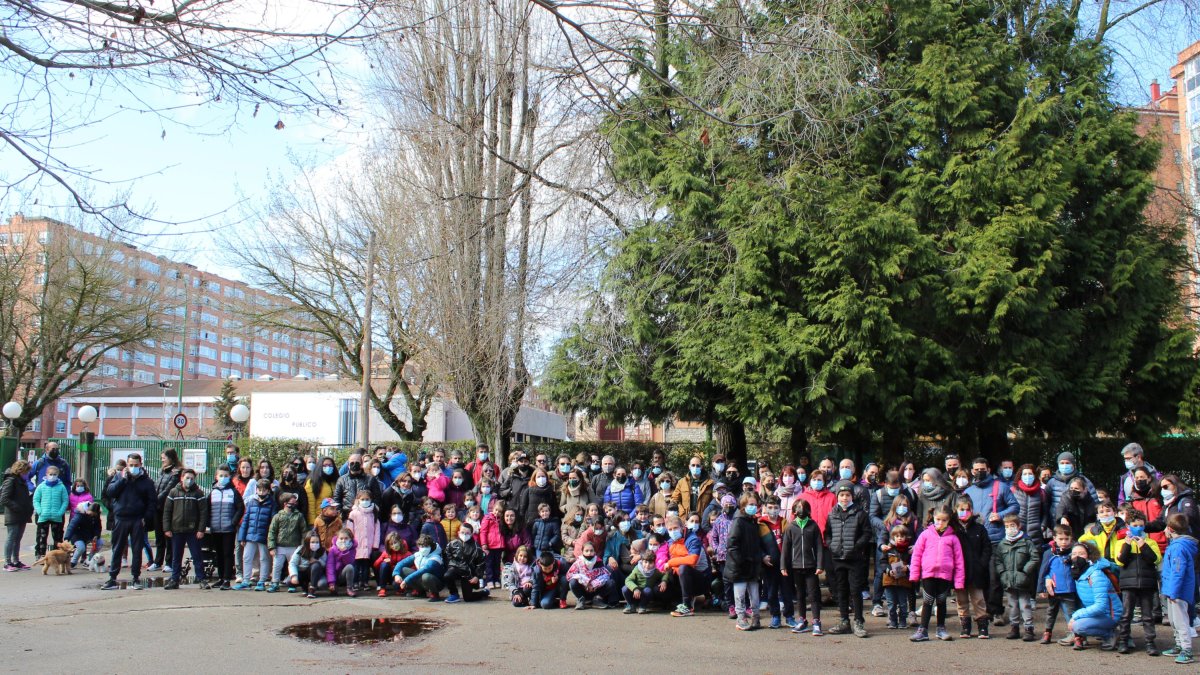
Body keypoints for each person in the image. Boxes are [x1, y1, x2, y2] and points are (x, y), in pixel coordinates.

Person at [908, 505, 965, 642]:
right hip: (928, 574)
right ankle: (923, 630)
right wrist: (914, 575)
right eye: (938, 519)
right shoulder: (925, 534)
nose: (940, 523)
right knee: (927, 601)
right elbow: (917, 555)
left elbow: (959, 560)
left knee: (941, 602)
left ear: (949, 520)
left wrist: (959, 581)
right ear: (933, 518)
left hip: (945, 575)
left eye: (944, 520)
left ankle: (941, 628)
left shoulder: (953, 538)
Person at [101, 453, 157, 591]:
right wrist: (123, 479)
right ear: (127, 465)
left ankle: (136, 578)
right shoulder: (119, 477)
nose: (133, 468)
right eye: (131, 465)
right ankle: (113, 578)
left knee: (137, 550)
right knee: (117, 548)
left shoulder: (147, 482)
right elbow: (110, 492)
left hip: (138, 519)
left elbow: (152, 502)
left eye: (136, 465)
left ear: (140, 465)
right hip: (121, 518)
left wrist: (146, 518)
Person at [826, 481, 872, 637]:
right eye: (842, 495)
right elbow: (828, 534)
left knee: (855, 590)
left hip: (854, 559)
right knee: (841, 590)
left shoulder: (860, 513)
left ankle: (858, 621)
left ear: (852, 496)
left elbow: (867, 533)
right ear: (837, 496)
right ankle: (844, 620)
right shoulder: (832, 514)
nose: (845, 498)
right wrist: (832, 545)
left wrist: (856, 546)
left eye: (848, 495)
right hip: (838, 558)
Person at [1113, 508, 1161, 655]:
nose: (1138, 527)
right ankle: (1123, 641)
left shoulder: (1151, 542)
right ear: (1128, 526)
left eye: (1141, 525)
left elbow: (1156, 559)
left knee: (1148, 615)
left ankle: (1150, 642)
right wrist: (1127, 545)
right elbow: (1120, 561)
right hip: (1128, 584)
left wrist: (1143, 546)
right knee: (1127, 614)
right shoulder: (1120, 542)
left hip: (1147, 584)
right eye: (1134, 524)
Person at [869, 470, 916, 616]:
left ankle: (908, 607)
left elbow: (915, 515)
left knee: (907, 572)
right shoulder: (879, 494)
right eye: (891, 487)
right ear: (885, 484)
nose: (894, 490)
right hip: (886, 540)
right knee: (881, 571)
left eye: (897, 487)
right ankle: (877, 603)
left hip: (905, 542)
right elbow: (872, 516)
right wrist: (885, 526)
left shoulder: (909, 493)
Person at [994, 513, 1041, 641]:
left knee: (1025, 605)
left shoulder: (1026, 542)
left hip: (1023, 580)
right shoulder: (1002, 544)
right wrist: (1002, 572)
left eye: (1012, 525)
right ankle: (1014, 627)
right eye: (1007, 526)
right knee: (1012, 605)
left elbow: (1035, 557)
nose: (1010, 528)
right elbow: (998, 560)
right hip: (1008, 580)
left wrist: (1025, 571)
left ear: (1019, 526)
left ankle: (1029, 628)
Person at [781, 498, 825, 635]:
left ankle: (816, 621)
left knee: (814, 595)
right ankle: (802, 620)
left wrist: (820, 564)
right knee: (800, 595)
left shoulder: (813, 526)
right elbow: (785, 548)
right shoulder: (790, 527)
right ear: (794, 510)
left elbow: (819, 547)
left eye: (803, 507)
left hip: (811, 566)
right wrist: (783, 566)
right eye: (798, 507)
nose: (801, 509)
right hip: (796, 566)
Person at [1068, 541, 1122, 650]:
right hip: (1098, 613)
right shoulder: (1079, 573)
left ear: (1089, 556)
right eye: (1074, 554)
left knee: (1077, 626)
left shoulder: (1096, 575)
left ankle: (1110, 635)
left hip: (1110, 614)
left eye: (1081, 554)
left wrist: (1076, 616)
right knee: (1076, 624)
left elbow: (1100, 606)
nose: (1077, 557)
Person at [162, 468, 210, 590]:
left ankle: (202, 579)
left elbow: (204, 513)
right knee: (176, 557)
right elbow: (167, 511)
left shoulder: (198, 493)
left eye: (192, 478)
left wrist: (201, 529)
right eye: (187, 478)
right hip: (177, 530)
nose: (189, 480)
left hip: (193, 531)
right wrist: (167, 528)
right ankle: (174, 580)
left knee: (197, 556)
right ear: (182, 478)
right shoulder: (173, 492)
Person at [954, 495, 993, 639]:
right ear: (956, 510)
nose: (964, 512)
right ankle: (965, 627)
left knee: (978, 600)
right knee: (961, 601)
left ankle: (983, 626)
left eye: (967, 509)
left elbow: (987, 547)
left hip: (976, 571)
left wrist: (982, 563)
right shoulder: (954, 529)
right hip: (959, 572)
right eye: (961, 509)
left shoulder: (979, 528)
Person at [1161, 514, 1197, 664]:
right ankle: (1179, 644)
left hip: (1178, 591)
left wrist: (1173, 592)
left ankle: (1187, 649)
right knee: (1174, 620)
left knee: (1180, 620)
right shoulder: (1177, 545)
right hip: (1172, 590)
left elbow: (1178, 572)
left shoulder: (1178, 548)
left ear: (1170, 529)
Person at [1037, 525, 1079, 645]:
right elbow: (1043, 571)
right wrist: (1041, 589)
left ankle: (1075, 634)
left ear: (1071, 538)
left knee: (1071, 614)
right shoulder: (1049, 553)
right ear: (1054, 538)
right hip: (1054, 590)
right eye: (1061, 539)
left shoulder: (1074, 552)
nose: (1064, 542)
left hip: (1070, 589)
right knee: (1051, 612)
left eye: (1067, 539)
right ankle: (1047, 633)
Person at [234, 479, 278, 591]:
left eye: (264, 490)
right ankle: (245, 580)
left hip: (264, 536)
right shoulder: (252, 501)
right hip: (250, 535)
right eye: (259, 490)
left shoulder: (272, 503)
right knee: (246, 557)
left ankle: (262, 581)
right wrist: (242, 537)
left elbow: (273, 522)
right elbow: (246, 519)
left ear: (268, 491)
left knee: (264, 558)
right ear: (256, 490)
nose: (261, 492)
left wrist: (271, 538)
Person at [664, 513, 710, 618]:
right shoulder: (671, 541)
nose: (673, 531)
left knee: (683, 567)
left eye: (675, 528)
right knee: (668, 572)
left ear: (682, 527)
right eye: (670, 529)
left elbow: (692, 560)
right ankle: (674, 600)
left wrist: (671, 563)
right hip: (686, 578)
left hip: (702, 579)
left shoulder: (692, 539)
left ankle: (687, 606)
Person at [207, 466, 244, 590]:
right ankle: (221, 577)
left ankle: (227, 579)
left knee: (228, 553)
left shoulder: (233, 492)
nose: (223, 478)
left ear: (230, 477)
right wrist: (208, 523)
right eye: (221, 476)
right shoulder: (213, 492)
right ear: (216, 477)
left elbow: (240, 508)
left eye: (226, 476)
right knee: (219, 554)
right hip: (216, 528)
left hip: (228, 529)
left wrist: (233, 522)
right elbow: (207, 509)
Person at [758, 496, 792, 628]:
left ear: (780, 508)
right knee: (771, 592)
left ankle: (789, 616)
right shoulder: (760, 524)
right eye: (770, 507)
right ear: (765, 508)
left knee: (787, 591)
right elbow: (756, 544)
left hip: (784, 564)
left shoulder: (785, 523)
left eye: (776, 507)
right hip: (769, 564)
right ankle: (775, 616)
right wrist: (762, 557)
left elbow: (791, 543)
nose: (773, 510)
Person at [266, 492, 306, 593]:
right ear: (285, 503)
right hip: (280, 546)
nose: (294, 504)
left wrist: (302, 545)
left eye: (294, 502)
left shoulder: (299, 516)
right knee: (277, 566)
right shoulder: (277, 516)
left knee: (293, 566)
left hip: (294, 546)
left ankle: (292, 584)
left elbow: (304, 531)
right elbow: (272, 532)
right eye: (291, 502)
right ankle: (275, 583)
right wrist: (272, 547)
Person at [150, 448, 181, 572]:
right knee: (159, 536)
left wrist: (157, 499)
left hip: (168, 508)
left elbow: (168, 489)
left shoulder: (176, 473)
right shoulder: (161, 471)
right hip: (157, 508)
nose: (162, 459)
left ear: (171, 458)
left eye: (164, 457)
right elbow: (157, 486)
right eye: (162, 457)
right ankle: (157, 562)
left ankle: (169, 562)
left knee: (168, 535)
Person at [1, 460, 33, 571]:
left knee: (17, 539)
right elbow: (4, 499)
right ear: (20, 470)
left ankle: (16, 561)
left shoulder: (21, 481)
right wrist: (17, 507)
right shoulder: (10, 480)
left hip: (22, 514)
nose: (27, 474)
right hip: (13, 514)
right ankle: (7, 562)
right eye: (26, 471)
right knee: (11, 537)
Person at [443, 521, 487, 602]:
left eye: (467, 533)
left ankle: (484, 592)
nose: (464, 534)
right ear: (459, 532)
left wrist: (477, 576)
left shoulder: (477, 548)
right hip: (456, 569)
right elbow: (448, 557)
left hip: (469, 574)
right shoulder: (452, 544)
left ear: (471, 534)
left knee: (468, 598)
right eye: (462, 532)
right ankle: (454, 594)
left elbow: (481, 564)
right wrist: (451, 567)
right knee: (447, 575)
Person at [880, 525, 913, 630]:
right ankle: (893, 621)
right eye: (897, 536)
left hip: (903, 581)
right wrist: (889, 571)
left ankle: (903, 621)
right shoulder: (888, 549)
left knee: (903, 603)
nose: (899, 538)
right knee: (891, 603)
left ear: (906, 537)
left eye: (902, 536)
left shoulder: (909, 551)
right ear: (893, 537)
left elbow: (914, 563)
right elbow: (882, 563)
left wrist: (907, 568)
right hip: (889, 581)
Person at [347, 490, 381, 592]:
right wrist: (350, 542)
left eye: (367, 499)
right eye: (362, 499)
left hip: (369, 544)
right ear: (358, 500)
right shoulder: (353, 514)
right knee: (356, 565)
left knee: (366, 566)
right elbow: (349, 529)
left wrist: (375, 545)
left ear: (371, 500)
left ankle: (365, 582)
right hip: (356, 544)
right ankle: (356, 582)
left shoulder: (373, 513)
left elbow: (377, 531)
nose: (365, 501)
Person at [32, 465, 69, 559]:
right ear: (46, 474)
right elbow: (36, 499)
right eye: (51, 474)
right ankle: (41, 554)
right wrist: (40, 511)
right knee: (41, 537)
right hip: (43, 516)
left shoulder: (61, 487)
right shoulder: (41, 486)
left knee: (57, 538)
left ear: (58, 475)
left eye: (55, 474)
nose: (52, 476)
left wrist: (60, 512)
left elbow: (65, 500)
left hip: (57, 517)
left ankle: (58, 555)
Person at [1045, 451, 1098, 516]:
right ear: (1058, 464)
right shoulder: (1052, 482)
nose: (1064, 465)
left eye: (1067, 463)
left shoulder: (1084, 480)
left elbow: (1094, 501)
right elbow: (1046, 503)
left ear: (1073, 464)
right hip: (1056, 521)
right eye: (1062, 463)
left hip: (1078, 520)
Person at [1148, 474, 1200, 540]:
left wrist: (1170, 526)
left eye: (1165, 487)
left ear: (1175, 485)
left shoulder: (1186, 500)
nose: (1163, 490)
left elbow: (1188, 516)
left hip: (1187, 542)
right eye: (1161, 488)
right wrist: (1143, 526)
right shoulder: (1167, 505)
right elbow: (1160, 523)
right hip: (1174, 542)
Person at [1011, 463, 1050, 547]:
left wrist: (1043, 526)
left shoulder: (1041, 492)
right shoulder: (1014, 490)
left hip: (1036, 534)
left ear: (1034, 475)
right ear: (1020, 476)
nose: (1027, 476)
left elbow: (1045, 513)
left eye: (1030, 474)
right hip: (1017, 532)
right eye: (1025, 474)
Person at [332, 454, 382, 521]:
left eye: (357, 462)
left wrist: (373, 514)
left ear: (361, 464)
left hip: (366, 518)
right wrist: (341, 516)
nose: (354, 464)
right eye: (352, 463)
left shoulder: (370, 479)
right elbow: (336, 499)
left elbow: (377, 498)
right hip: (347, 518)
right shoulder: (341, 480)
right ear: (348, 465)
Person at [798, 471, 836, 540]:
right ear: (810, 481)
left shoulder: (832, 497)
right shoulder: (802, 497)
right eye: (814, 480)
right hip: (807, 538)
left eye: (819, 480)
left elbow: (836, 519)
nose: (816, 482)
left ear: (824, 482)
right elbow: (795, 518)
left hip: (827, 539)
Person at [325, 528, 360, 597]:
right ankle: (334, 587)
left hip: (344, 575)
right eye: (341, 538)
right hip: (335, 575)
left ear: (350, 539)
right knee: (324, 584)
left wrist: (344, 552)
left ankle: (349, 588)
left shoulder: (352, 549)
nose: (343, 540)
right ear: (337, 539)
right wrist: (331, 582)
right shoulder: (332, 549)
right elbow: (330, 566)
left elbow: (349, 562)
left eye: (346, 538)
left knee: (350, 567)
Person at [291, 532, 327, 598]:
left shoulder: (322, 550)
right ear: (307, 542)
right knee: (289, 581)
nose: (315, 544)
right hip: (303, 572)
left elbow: (325, 564)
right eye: (312, 542)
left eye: (317, 542)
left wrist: (318, 560)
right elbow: (292, 563)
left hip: (317, 573)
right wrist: (294, 575)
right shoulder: (301, 549)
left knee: (322, 582)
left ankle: (312, 589)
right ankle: (305, 589)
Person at [304, 457, 338, 525]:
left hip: (333, 520)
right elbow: (311, 504)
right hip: (319, 520)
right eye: (325, 465)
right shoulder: (312, 482)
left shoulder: (335, 481)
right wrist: (313, 522)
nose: (328, 467)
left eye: (330, 465)